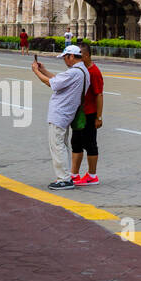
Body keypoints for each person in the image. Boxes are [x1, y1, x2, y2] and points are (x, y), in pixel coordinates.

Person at [31, 45, 91, 190]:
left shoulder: (74, 73)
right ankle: (65, 176)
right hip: (67, 113)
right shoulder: (82, 71)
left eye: (65, 57)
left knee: (57, 146)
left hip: (60, 114)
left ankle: (64, 179)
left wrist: (36, 72)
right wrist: (43, 70)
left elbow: (51, 83)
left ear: (71, 56)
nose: (64, 60)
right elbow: (58, 80)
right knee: (62, 146)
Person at [71, 44, 104, 185]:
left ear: (87, 56)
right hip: (80, 114)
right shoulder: (81, 70)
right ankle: (74, 174)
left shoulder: (94, 72)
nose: (78, 59)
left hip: (90, 114)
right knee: (76, 143)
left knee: (90, 144)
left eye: (80, 56)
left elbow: (99, 95)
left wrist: (99, 117)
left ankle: (92, 175)